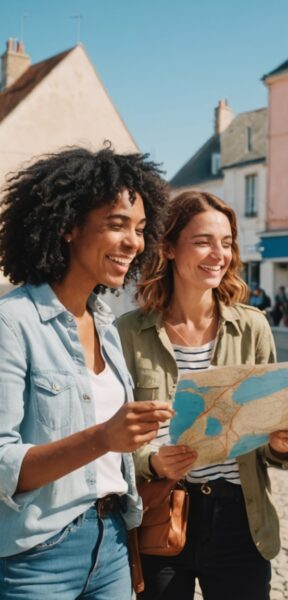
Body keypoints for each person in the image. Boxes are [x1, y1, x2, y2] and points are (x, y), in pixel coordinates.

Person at [116, 190, 288, 600]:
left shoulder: (254, 327)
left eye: (226, 243)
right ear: (168, 248)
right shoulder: (129, 333)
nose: (218, 254)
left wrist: (282, 442)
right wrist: (151, 460)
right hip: (162, 512)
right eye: (204, 241)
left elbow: (272, 438)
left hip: (241, 516)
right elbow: (112, 435)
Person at [0, 147, 172, 599]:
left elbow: (114, 458)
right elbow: (2, 463)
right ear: (68, 226)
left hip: (113, 542)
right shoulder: (11, 322)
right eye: (117, 224)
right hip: (37, 556)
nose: (133, 242)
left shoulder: (105, 324)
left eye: (139, 229)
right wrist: (103, 437)